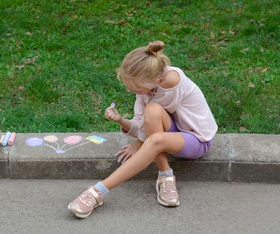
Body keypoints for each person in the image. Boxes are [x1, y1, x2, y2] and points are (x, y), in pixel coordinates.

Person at [68, 40, 218, 218]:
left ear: (155, 80)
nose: (130, 90)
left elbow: (148, 134)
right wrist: (121, 121)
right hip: (174, 130)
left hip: (196, 139)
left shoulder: (171, 80)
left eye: (134, 86)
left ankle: (99, 191)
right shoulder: (147, 89)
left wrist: (139, 144)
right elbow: (143, 123)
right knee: (152, 112)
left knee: (154, 134)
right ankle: (165, 174)